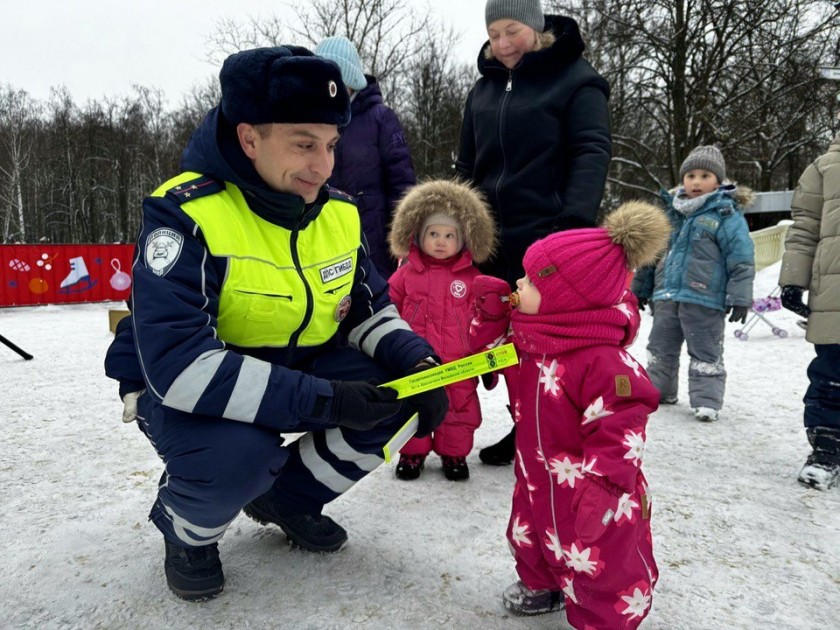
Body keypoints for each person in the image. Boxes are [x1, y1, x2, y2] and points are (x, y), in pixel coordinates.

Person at [103, 46, 448, 602]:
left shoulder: (337, 212)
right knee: (241, 455)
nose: (323, 165)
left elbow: (366, 307)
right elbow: (182, 367)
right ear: (248, 139)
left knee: (398, 394)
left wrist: (415, 361)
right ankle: (187, 529)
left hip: (294, 360)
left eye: (332, 145)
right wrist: (330, 400)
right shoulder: (185, 214)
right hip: (184, 381)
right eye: (304, 144)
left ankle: (287, 498)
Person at [469, 201, 669, 628]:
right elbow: (484, 360)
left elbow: (623, 421)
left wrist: (607, 480)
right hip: (536, 474)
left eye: (528, 279)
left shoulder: (601, 361)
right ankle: (542, 584)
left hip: (590, 487)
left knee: (600, 557)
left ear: (565, 300)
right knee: (531, 534)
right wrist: (487, 318)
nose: (517, 283)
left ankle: (604, 618)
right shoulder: (528, 337)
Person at [456, 0, 612, 465]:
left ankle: (564, 428)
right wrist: (461, 223)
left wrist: (572, 226)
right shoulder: (482, 89)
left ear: (536, 26)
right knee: (506, 341)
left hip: (548, 236)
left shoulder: (576, 80)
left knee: (551, 344)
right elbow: (467, 163)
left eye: (512, 31)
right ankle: (528, 422)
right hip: (491, 239)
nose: (502, 44)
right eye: (494, 33)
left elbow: (591, 150)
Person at [632, 145, 755, 423]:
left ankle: (707, 401)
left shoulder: (725, 214)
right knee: (660, 348)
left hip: (704, 298)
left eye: (705, 175)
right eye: (690, 176)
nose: (696, 182)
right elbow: (652, 254)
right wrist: (641, 287)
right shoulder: (670, 213)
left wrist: (740, 296)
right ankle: (658, 391)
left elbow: (741, 258)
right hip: (666, 296)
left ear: (719, 181)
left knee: (705, 350)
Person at [386, 179, 498, 481]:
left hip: (459, 361)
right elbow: (387, 307)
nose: (440, 241)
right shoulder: (406, 274)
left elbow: (485, 320)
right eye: (433, 234)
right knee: (413, 406)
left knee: (458, 409)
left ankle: (454, 454)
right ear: (418, 236)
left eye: (449, 235)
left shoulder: (473, 278)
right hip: (415, 360)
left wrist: (487, 357)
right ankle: (412, 453)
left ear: (462, 240)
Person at [314, 36, 416, 278]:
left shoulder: (381, 118)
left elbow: (402, 184)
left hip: (374, 239)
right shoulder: (310, 121)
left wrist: (405, 237)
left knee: (374, 299)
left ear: (350, 81)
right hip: (323, 234)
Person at [779, 134, 840, 491]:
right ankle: (827, 449)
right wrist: (793, 279)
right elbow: (805, 229)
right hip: (835, 294)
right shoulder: (826, 166)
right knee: (831, 376)